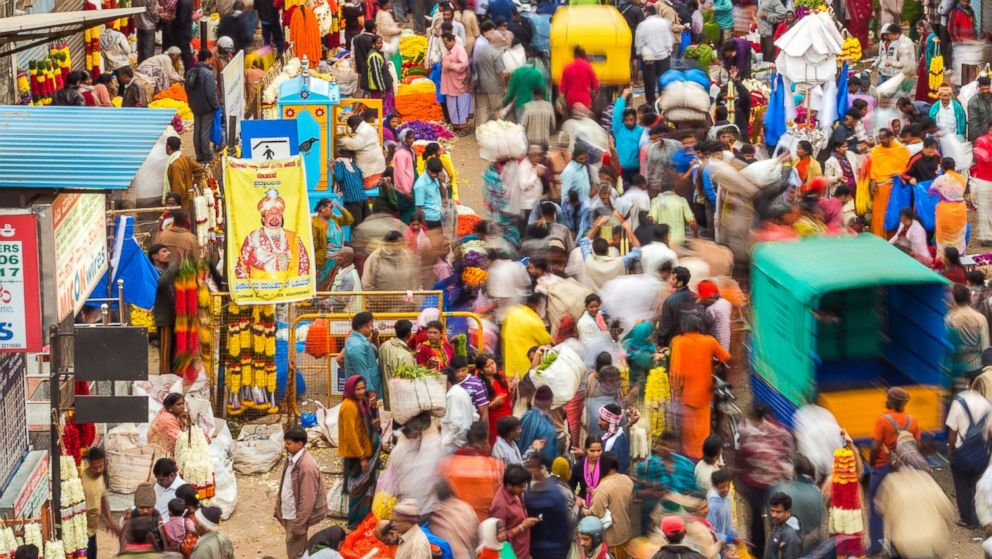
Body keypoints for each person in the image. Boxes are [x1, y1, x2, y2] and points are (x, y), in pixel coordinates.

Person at [866, 387, 919, 555]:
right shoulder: (912, 421)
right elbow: (918, 446)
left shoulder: (882, 420)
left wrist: (873, 464)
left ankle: (876, 545)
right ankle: (896, 546)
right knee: (898, 506)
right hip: (903, 469)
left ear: (890, 401)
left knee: (876, 507)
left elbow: (875, 446)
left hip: (882, 468)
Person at [670, 314, 730, 458]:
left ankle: (689, 455)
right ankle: (702, 454)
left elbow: (675, 371)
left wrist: (674, 390)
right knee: (702, 428)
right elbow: (725, 357)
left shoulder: (678, 342)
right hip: (704, 393)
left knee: (688, 430)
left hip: (685, 394)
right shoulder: (709, 341)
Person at [276, 427, 328, 559]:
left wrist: (299, 524)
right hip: (290, 512)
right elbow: (286, 483)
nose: (285, 446)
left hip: (296, 516)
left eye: (289, 443)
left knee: (296, 550)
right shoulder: (292, 458)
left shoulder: (307, 467)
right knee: (293, 545)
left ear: (299, 444)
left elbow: (307, 499)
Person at [946, 380, 992, 529]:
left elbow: (953, 430)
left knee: (962, 487)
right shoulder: (986, 404)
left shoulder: (958, 402)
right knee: (977, 485)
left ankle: (968, 520)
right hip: (981, 453)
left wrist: (951, 449)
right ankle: (980, 516)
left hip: (962, 454)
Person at [338, 375, 382, 529]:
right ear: (351, 389)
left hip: (366, 452)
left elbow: (363, 425)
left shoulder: (361, 403)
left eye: (363, 388)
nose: (361, 391)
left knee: (366, 488)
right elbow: (350, 435)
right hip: (356, 456)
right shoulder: (348, 406)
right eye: (358, 389)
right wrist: (362, 458)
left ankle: (363, 520)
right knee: (357, 489)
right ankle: (354, 522)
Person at [634, 431, 697, 528]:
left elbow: (691, 492)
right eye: (662, 444)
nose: (665, 449)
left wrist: (678, 497)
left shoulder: (686, 466)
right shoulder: (648, 465)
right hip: (654, 518)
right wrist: (652, 493)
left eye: (669, 446)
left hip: (679, 517)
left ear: (676, 448)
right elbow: (637, 494)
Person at [768, 455, 826, 553]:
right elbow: (822, 528)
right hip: (813, 552)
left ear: (793, 471)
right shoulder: (818, 493)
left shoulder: (778, 490)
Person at [583, 451, 633, 559]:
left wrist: (581, 509)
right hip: (626, 534)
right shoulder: (627, 480)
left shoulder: (603, 487)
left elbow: (596, 514)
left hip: (612, 540)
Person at [524, 455, 573, 559]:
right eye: (529, 467)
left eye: (534, 467)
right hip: (536, 550)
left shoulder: (555, 494)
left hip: (553, 550)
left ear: (543, 469)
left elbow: (564, 526)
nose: (531, 471)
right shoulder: (528, 493)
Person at [869, 128, 911, 237]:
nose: (881, 141)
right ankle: (879, 236)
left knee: (893, 212)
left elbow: (907, 168)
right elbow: (872, 168)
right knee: (880, 213)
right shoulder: (875, 151)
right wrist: (872, 180)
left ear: (891, 137)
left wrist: (899, 174)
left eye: (883, 138)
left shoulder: (901, 150)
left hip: (895, 187)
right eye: (880, 138)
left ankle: (893, 237)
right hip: (880, 187)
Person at [490, 464, 538, 559]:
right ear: (509, 485)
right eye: (520, 487)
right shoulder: (501, 505)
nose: (523, 489)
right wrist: (522, 527)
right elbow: (499, 538)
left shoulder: (513, 493)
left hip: (523, 553)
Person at [502, 293, 552, 379]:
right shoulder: (534, 321)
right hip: (526, 369)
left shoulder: (512, 313)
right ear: (536, 305)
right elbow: (547, 341)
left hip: (510, 368)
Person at [82, 447, 120, 558]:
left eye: (101, 466)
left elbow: (103, 499)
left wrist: (110, 522)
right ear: (89, 463)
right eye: (95, 467)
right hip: (82, 531)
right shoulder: (81, 478)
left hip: (93, 531)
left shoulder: (100, 477)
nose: (98, 470)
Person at [947, 283, 991, 379]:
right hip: (976, 367)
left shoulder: (950, 319)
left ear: (954, 299)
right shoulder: (980, 318)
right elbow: (985, 346)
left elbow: (948, 345)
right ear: (969, 298)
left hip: (957, 368)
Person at [184, 50, 220, 164]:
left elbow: (187, 89)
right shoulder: (207, 73)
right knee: (205, 131)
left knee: (197, 130)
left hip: (195, 106)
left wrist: (191, 103)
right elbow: (211, 93)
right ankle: (206, 155)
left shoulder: (190, 72)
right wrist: (216, 105)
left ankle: (199, 155)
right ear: (208, 59)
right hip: (207, 107)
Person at [311, 198, 354, 291]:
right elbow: (314, 245)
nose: (332, 210)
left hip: (339, 259)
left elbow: (349, 220)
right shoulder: (315, 224)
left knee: (335, 285)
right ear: (322, 208)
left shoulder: (334, 219)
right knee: (321, 287)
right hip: (325, 261)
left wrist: (340, 207)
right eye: (331, 207)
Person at [635, 7, 673, 107]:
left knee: (649, 82)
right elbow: (669, 39)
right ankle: (663, 100)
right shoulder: (665, 23)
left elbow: (638, 42)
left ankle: (651, 102)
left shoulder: (642, 25)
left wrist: (640, 53)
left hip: (649, 58)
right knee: (664, 80)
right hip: (663, 55)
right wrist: (669, 51)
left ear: (647, 13)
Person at [930, 156, 968, 254]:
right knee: (959, 236)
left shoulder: (940, 179)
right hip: (960, 210)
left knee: (944, 238)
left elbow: (931, 192)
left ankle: (944, 260)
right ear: (954, 166)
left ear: (942, 168)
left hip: (945, 211)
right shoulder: (962, 178)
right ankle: (957, 257)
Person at [339, 114, 387, 190]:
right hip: (375, 158)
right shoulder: (368, 127)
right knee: (374, 176)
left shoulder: (363, 131)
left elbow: (355, 145)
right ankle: (380, 181)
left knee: (366, 182)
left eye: (352, 127)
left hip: (369, 159)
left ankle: (380, 182)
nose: (352, 130)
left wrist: (343, 140)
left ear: (354, 125)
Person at [343, 312, 382, 397]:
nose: (372, 328)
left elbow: (374, 355)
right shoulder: (356, 346)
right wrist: (370, 392)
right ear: (361, 327)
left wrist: (375, 339)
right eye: (370, 325)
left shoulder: (363, 341)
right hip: (364, 395)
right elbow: (361, 371)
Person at [439, 33, 471, 135]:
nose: (446, 44)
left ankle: (463, 127)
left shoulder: (460, 49)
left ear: (452, 40)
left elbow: (464, 64)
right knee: (452, 106)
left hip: (458, 83)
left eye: (447, 42)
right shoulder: (448, 51)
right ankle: (456, 126)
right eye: (444, 43)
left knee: (459, 106)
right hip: (450, 83)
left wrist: (451, 66)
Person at [518, 385, 558, 464]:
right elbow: (524, 442)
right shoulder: (530, 417)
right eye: (551, 400)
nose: (552, 402)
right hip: (533, 464)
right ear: (547, 401)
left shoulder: (546, 416)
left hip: (546, 464)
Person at [477, 354, 513, 443]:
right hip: (494, 420)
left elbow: (507, 395)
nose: (492, 367)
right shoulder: (480, 384)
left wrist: (512, 387)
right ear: (481, 371)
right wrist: (492, 404)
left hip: (508, 415)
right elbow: (479, 410)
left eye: (492, 363)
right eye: (487, 366)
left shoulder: (500, 375)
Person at [443, 365, 479, 452]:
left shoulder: (453, 395)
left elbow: (455, 423)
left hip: (454, 442)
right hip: (463, 439)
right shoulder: (461, 391)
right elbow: (475, 415)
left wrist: (444, 441)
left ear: (447, 382)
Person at [612, 88, 645, 184]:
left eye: (631, 120)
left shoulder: (641, 131)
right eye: (626, 120)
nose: (629, 122)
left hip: (638, 169)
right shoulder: (619, 129)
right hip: (623, 170)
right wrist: (623, 96)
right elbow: (617, 114)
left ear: (636, 119)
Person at [162, 137, 206, 207]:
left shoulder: (175, 165)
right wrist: (192, 185)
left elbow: (178, 188)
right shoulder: (184, 158)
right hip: (188, 199)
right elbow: (201, 169)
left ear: (168, 147)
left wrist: (175, 204)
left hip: (182, 204)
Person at [560, 47, 599, 112]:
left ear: (574, 55)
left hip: (570, 102)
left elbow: (562, 89)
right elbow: (595, 84)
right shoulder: (588, 67)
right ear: (583, 55)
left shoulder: (567, 67)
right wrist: (595, 95)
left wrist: (561, 102)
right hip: (585, 101)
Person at [380, 319, 415, 390]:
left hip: (386, 393)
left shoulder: (385, 345)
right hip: (400, 397)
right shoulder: (406, 356)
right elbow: (410, 382)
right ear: (409, 334)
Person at [764, 492, 802, 559]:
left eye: (778, 512)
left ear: (788, 511)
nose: (774, 515)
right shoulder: (778, 523)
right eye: (772, 511)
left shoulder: (791, 537)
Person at [969, 77, 992, 142]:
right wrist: (983, 139)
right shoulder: (973, 102)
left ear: (990, 87)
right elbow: (973, 125)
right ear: (979, 88)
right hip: (980, 138)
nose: (985, 91)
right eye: (983, 89)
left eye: (987, 88)